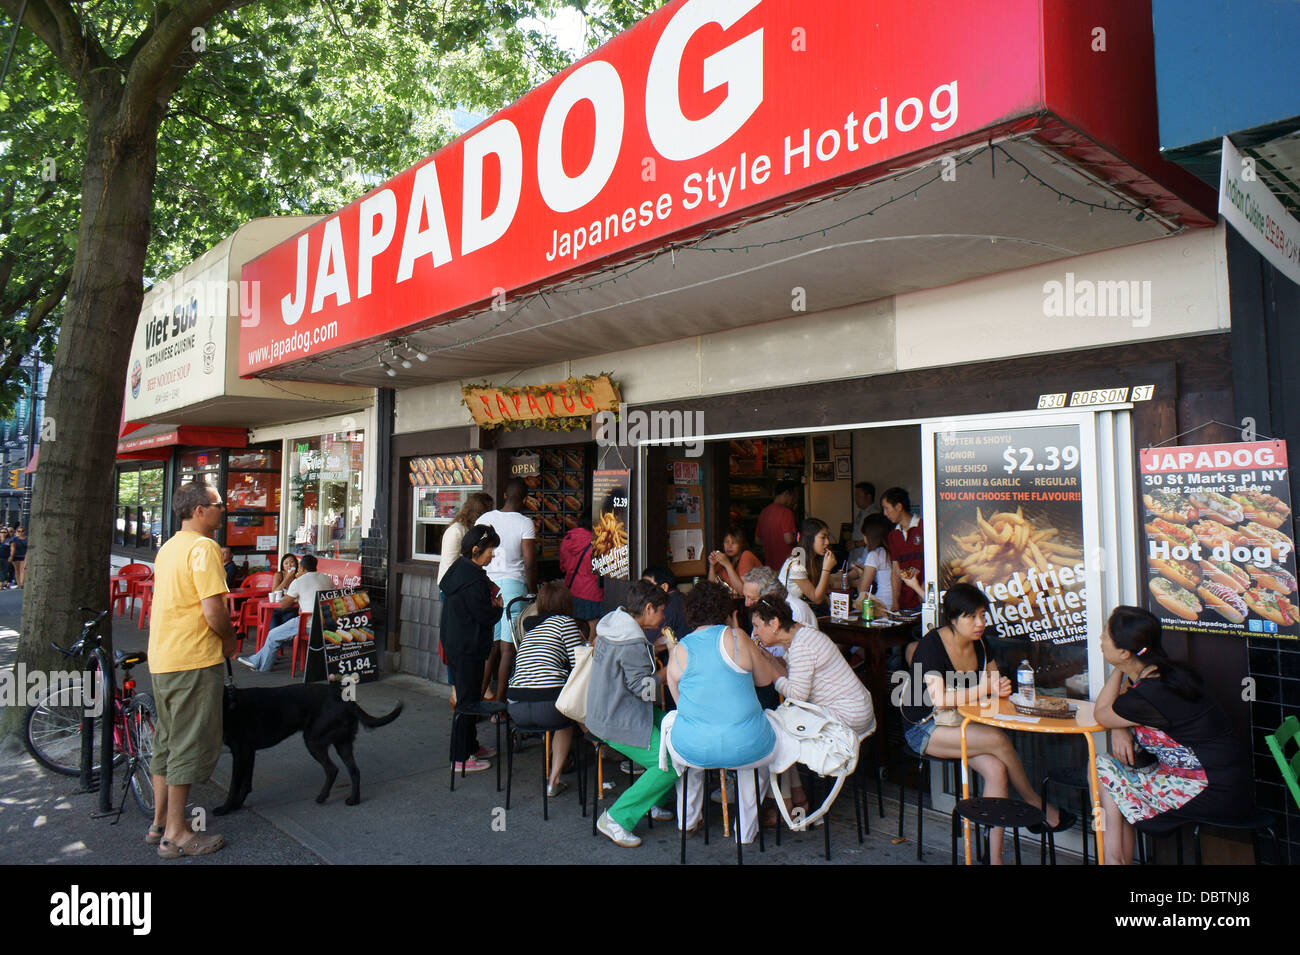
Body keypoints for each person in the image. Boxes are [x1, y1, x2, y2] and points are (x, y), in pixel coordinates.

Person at [898, 583, 1071, 863]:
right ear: (953, 619)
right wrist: (985, 688)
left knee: (997, 769)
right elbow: (939, 698)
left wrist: (1000, 687)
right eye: (971, 617)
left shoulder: (981, 643)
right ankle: (1034, 802)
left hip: (961, 724)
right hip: (925, 727)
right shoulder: (933, 644)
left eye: (982, 615)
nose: (980, 623)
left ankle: (994, 857)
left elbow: (995, 683)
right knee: (997, 740)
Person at [1092, 606, 1253, 865]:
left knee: (1102, 768)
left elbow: (1102, 712)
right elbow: (1118, 708)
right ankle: (1115, 860)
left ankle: (1113, 860)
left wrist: (1117, 669)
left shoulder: (1149, 693)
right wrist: (1119, 724)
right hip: (1224, 779)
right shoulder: (1165, 674)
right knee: (1114, 776)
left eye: (1106, 635)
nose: (1100, 638)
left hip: (1208, 788)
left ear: (1124, 652)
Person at [148, 481, 237, 858]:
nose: (224, 510)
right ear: (199, 509)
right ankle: (177, 835)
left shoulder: (168, 547)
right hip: (194, 659)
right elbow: (213, 609)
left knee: (166, 742)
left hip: (163, 659)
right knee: (189, 744)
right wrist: (231, 642)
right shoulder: (205, 548)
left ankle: (159, 823)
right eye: (219, 505)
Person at [664, 581, 788, 844]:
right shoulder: (737, 637)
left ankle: (687, 820)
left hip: (693, 748)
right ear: (724, 609)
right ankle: (745, 830)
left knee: (688, 744)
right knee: (759, 754)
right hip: (744, 745)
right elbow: (766, 679)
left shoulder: (679, 650)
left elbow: (679, 701)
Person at [750, 593, 875, 822]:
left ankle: (787, 805)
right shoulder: (802, 634)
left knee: (775, 732)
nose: (755, 633)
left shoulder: (802, 646)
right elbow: (795, 679)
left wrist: (770, 674)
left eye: (758, 626)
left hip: (847, 717)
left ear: (775, 623)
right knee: (780, 725)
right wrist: (769, 659)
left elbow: (797, 693)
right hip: (856, 708)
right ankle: (796, 797)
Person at [587, 580, 676, 847]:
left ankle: (651, 801)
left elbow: (625, 663)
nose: (662, 619)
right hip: (620, 720)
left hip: (602, 712)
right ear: (648, 608)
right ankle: (616, 818)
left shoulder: (614, 623)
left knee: (674, 731)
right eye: (660, 612)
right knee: (669, 763)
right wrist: (670, 668)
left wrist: (655, 647)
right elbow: (644, 688)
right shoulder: (633, 643)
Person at [506, 581, 586, 796]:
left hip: (516, 707)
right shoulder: (565, 623)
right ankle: (554, 780)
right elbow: (579, 664)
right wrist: (586, 643)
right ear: (566, 603)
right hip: (548, 707)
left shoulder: (529, 630)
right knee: (565, 722)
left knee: (558, 706)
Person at [438, 524, 504, 773]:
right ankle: (460, 757)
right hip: (467, 647)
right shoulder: (474, 579)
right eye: (490, 550)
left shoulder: (459, 569)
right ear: (476, 550)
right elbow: (485, 615)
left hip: (459, 644)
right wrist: (498, 607)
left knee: (471, 698)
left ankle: (472, 746)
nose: (493, 554)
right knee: (466, 701)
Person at [478, 479, 536, 706]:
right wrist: (533, 593)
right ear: (524, 499)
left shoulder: (485, 519)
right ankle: (500, 706)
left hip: (488, 586)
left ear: (504, 494)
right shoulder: (525, 523)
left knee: (488, 649)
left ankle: (478, 699)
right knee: (507, 650)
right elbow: (530, 563)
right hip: (513, 587)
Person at [238, 554, 334, 671]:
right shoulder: (327, 579)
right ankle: (256, 660)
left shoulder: (298, 582)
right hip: (326, 622)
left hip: (308, 624)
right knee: (278, 632)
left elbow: (284, 605)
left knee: (273, 634)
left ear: (302, 568)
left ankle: (263, 666)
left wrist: (294, 596)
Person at [559, 508, 603, 641]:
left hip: (571, 591)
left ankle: (574, 658)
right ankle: (587, 660)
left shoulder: (567, 539)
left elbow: (563, 567)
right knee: (593, 630)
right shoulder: (597, 544)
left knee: (573, 631)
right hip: (593, 594)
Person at [778, 518, 838, 614]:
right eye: (823, 537)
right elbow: (816, 598)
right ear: (809, 539)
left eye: (827, 537)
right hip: (792, 616)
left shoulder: (813, 560)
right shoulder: (796, 564)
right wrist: (826, 569)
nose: (827, 542)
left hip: (805, 613)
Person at [882, 487, 924, 612]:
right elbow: (896, 570)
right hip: (904, 603)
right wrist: (895, 601)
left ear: (899, 507)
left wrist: (924, 590)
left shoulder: (924, 527)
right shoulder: (893, 535)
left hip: (922, 598)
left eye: (887, 508)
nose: (885, 513)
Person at [438, 491, 493, 586]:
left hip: (468, 585)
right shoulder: (456, 530)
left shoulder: (474, 529)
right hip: (453, 588)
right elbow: (449, 564)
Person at [741, 565, 817, 633]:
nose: (746, 604)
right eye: (745, 597)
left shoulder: (796, 610)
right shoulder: (762, 612)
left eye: (752, 599)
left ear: (771, 594)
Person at [850, 513, 895, 612]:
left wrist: (861, 573)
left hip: (882, 605)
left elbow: (862, 590)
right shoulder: (891, 551)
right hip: (894, 604)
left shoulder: (874, 555)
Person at [641, 566, 689, 651]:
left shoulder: (665, 607)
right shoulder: (682, 599)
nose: (643, 591)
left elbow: (648, 646)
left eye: (647, 586)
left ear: (664, 587)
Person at [756, 481, 799, 570]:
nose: (795, 500)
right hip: (786, 566)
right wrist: (800, 537)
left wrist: (772, 543)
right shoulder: (787, 512)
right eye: (794, 496)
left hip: (769, 567)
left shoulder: (764, 512)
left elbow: (758, 540)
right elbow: (789, 539)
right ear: (787, 494)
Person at [707, 526, 762, 592]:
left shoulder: (746, 555)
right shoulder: (724, 559)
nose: (729, 546)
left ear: (741, 545)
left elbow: (743, 591)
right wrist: (712, 565)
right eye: (727, 542)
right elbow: (711, 588)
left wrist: (727, 565)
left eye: (734, 542)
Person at [850, 482, 878, 548]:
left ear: (869, 497)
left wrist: (856, 544)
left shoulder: (874, 514)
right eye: (855, 496)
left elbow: (875, 538)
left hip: (865, 553)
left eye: (859, 496)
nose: (856, 499)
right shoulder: (862, 512)